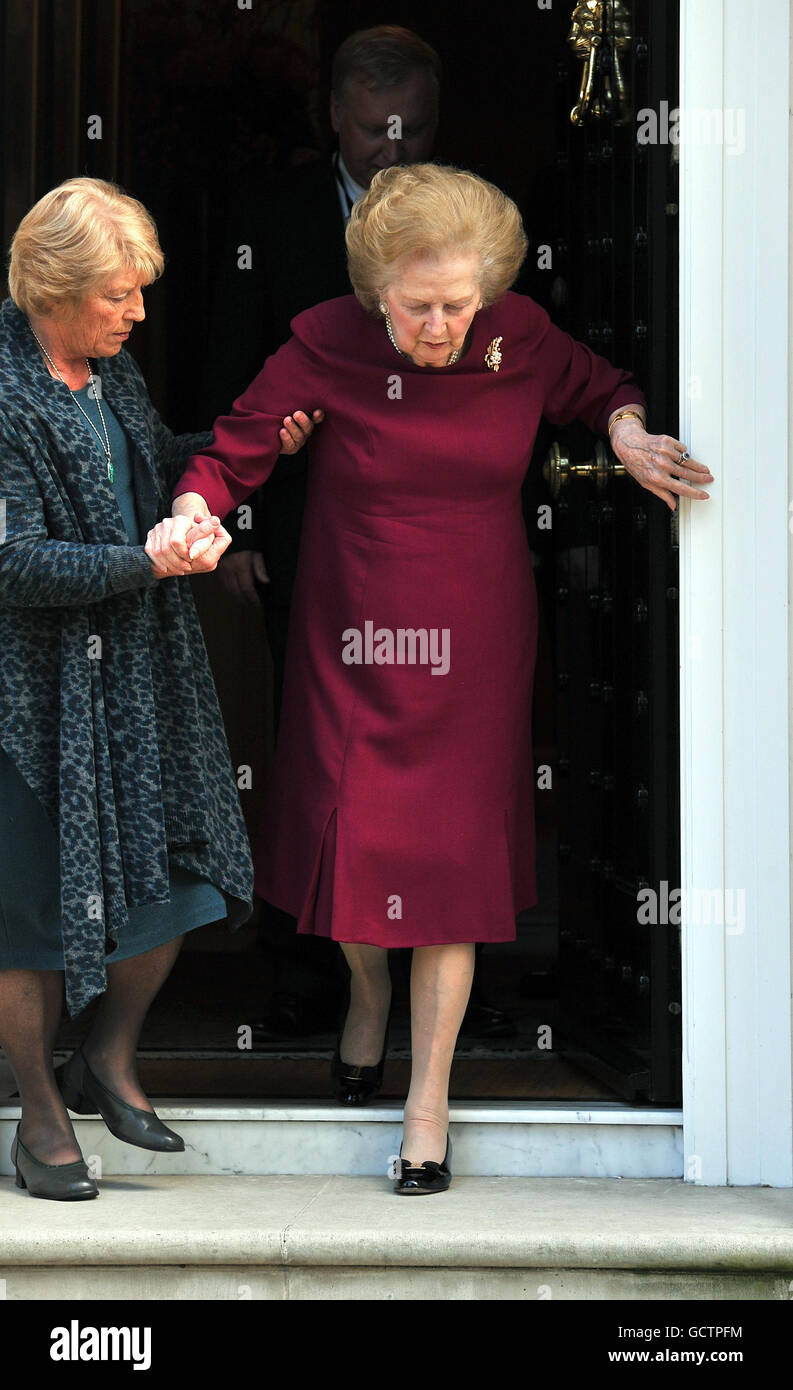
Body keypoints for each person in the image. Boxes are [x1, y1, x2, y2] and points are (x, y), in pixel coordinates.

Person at [173, 163, 713, 1195]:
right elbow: (233, 451)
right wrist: (199, 510)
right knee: (355, 838)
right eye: (418, 307)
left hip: (475, 627)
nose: (440, 327)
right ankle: (365, 992)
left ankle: (427, 1104)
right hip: (354, 625)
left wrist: (629, 434)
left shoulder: (517, 335)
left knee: (448, 869)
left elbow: (605, 387)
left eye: (459, 304)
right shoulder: (323, 342)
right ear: (376, 293)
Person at [0, 177, 306, 1201]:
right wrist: (151, 562)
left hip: (138, 680)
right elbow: (14, 565)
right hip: (31, 703)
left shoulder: (108, 372)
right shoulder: (5, 395)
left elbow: (152, 466)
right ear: (55, 288)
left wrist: (228, 464)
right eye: (118, 294)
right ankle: (41, 1120)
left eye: (140, 291)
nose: (137, 312)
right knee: (32, 920)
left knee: (186, 873)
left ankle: (107, 1056)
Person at [206, 25, 443, 1042]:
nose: (391, 147)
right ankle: (308, 973)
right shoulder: (269, 216)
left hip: (444, 537)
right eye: (369, 128)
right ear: (330, 118)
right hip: (305, 530)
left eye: (413, 128)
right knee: (315, 754)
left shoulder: (471, 215)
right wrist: (241, 521)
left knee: (432, 758)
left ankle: (426, 967)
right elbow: (230, 372)